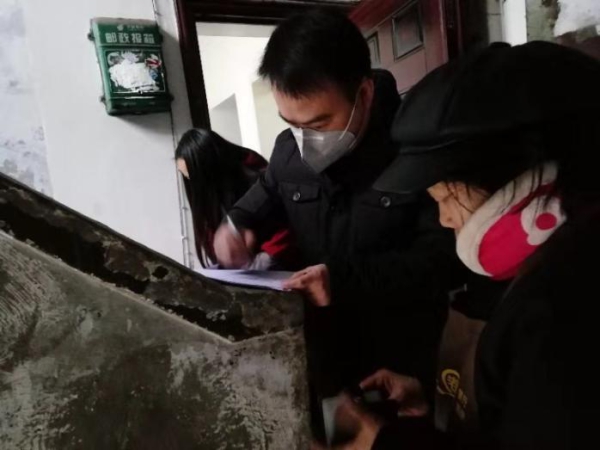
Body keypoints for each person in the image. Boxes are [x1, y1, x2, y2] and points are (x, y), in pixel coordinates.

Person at [322, 41, 600, 449]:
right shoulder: (536, 269)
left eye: (447, 197)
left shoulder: (564, 308)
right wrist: (441, 392)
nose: (445, 219)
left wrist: (387, 443)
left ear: (527, 182)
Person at [212, 8, 465, 408]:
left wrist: (342, 282)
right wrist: (235, 226)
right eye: (291, 123)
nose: (304, 139)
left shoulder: (414, 151)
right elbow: (263, 198)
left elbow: (443, 260)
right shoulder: (287, 152)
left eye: (318, 124)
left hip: (401, 363)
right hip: (324, 361)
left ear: (363, 94)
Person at [175, 128, 293, 269]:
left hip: (282, 266)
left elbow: (289, 221)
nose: (190, 182)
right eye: (186, 176)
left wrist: (267, 257)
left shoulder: (255, 176)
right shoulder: (210, 195)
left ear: (208, 167)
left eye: (193, 176)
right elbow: (213, 233)